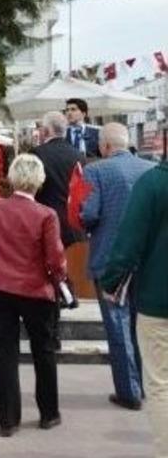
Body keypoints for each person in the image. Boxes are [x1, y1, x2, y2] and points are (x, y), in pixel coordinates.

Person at [0, 154, 67, 437]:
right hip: (37, 290)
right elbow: (55, 259)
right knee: (44, 351)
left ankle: (8, 419)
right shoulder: (46, 215)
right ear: (39, 181)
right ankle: (49, 413)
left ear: (11, 178)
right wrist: (60, 281)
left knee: (5, 352)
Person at [80, 123, 154, 411]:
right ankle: (144, 385)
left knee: (118, 325)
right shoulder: (149, 169)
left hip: (109, 261)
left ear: (105, 146)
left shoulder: (96, 171)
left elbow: (89, 214)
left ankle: (129, 391)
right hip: (145, 261)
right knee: (141, 325)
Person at [100, 158, 168, 458]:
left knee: (161, 383)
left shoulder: (153, 183)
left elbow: (129, 241)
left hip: (159, 299)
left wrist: (112, 280)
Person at [33, 111, 85, 248]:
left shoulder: (37, 153)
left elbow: (32, 188)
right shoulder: (79, 155)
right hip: (75, 226)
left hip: (46, 222)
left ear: (46, 131)